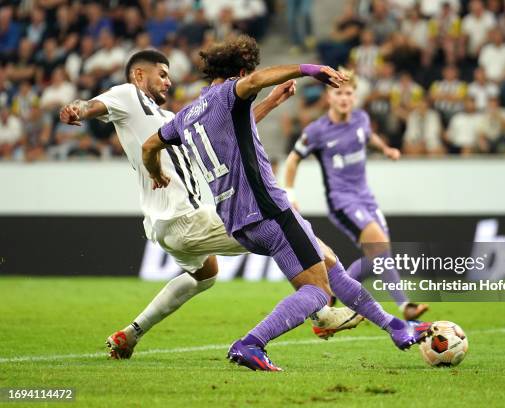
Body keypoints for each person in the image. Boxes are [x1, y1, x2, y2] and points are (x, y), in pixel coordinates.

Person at [141, 35, 431, 371]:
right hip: (269, 210)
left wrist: (155, 173)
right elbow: (257, 81)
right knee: (319, 292)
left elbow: (150, 146)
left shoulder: (188, 114)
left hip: (238, 222)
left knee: (329, 264)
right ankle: (250, 343)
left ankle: (396, 327)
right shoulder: (230, 93)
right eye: (248, 74)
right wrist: (310, 69)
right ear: (239, 72)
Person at [59, 50, 361, 360]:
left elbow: (223, 133)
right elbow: (92, 105)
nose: (168, 80)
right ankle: (321, 313)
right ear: (139, 75)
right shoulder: (127, 95)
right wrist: (77, 110)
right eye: (161, 74)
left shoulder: (170, 119)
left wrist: (270, 102)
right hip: (186, 219)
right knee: (290, 228)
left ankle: (130, 334)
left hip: (164, 225)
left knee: (207, 273)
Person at [284, 68, 429, 321]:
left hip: (366, 198)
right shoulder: (317, 131)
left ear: (354, 97)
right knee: (379, 246)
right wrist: (290, 193)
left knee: (380, 257)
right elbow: (293, 159)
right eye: (338, 93)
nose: (344, 98)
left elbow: (369, 137)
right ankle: (405, 306)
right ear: (329, 97)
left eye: (349, 93)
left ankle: (334, 293)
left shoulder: (361, 119)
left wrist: (386, 149)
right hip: (342, 200)